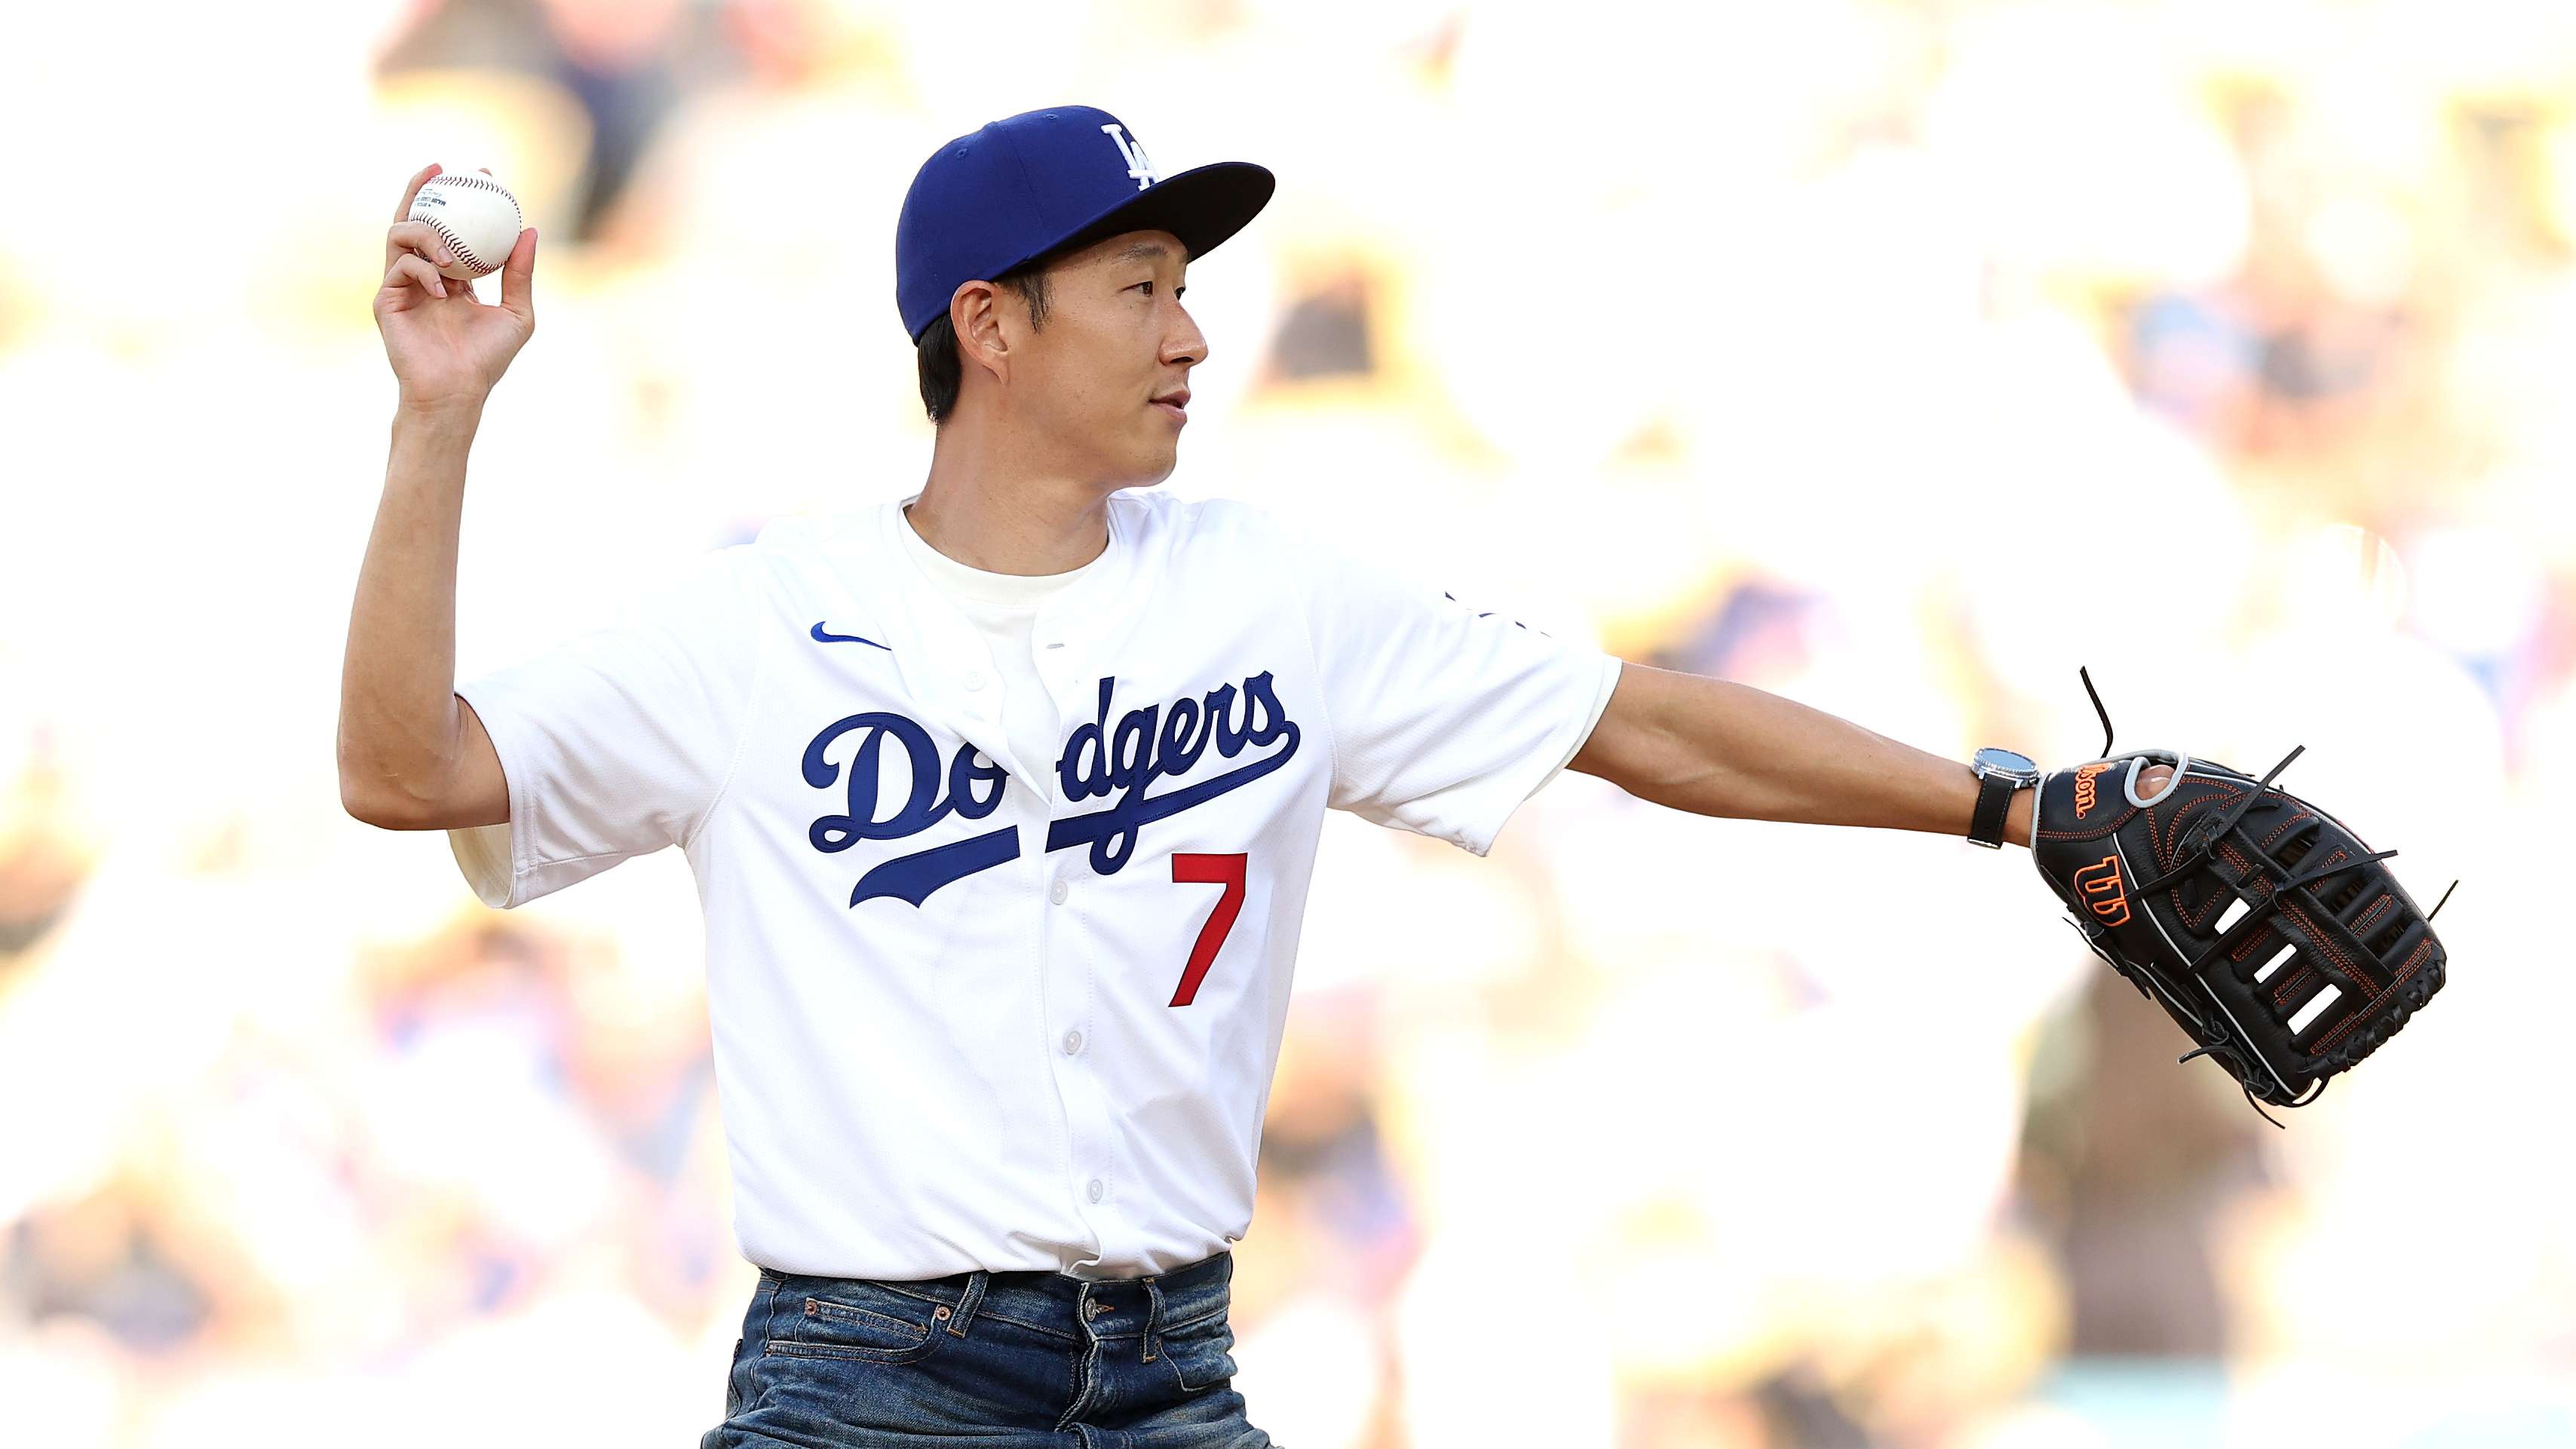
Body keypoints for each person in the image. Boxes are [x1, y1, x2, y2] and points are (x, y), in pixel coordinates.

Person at [342, 104, 2132, 1447]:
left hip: (1178, 1372)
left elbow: (1640, 719)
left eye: (1186, 291)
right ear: (991, 325)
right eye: (1139, 291)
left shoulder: (1271, 594)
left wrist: (2012, 804)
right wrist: (441, 420)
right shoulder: (763, 621)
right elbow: (404, 769)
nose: (1190, 334)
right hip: (865, 1382)